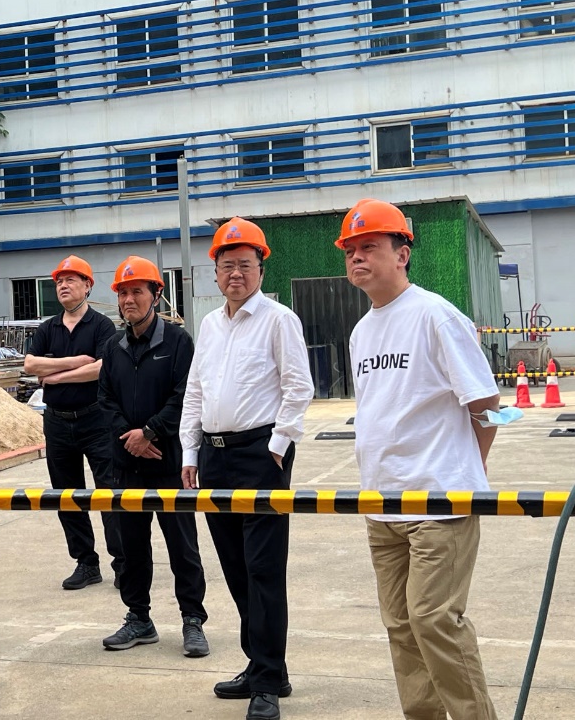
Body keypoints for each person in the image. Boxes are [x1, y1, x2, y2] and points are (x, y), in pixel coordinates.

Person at [337, 198, 500, 720]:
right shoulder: (362, 332)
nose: (357, 258)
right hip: (381, 504)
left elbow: (486, 404)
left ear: (402, 254)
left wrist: (468, 471)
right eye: (350, 250)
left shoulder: (435, 315)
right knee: (401, 627)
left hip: (440, 502)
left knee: (434, 621)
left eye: (369, 247)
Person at [180, 218, 314, 720]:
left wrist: (278, 446)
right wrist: (190, 452)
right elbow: (195, 392)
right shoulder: (210, 325)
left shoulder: (280, 320)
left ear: (261, 269)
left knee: (263, 569)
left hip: (261, 454)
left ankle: (267, 683)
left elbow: (299, 387)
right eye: (226, 265)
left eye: (244, 265)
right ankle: (263, 666)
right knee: (236, 567)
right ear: (215, 272)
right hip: (215, 457)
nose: (235, 273)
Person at [98, 256, 209, 658]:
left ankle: (192, 620)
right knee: (131, 547)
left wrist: (149, 432)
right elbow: (105, 400)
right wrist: (131, 439)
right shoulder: (113, 346)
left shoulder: (178, 342)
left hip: (168, 460)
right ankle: (139, 618)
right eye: (123, 293)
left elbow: (185, 397)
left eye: (136, 292)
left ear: (156, 295)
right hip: (126, 463)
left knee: (183, 546)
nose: (128, 300)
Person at [23, 255, 124, 591]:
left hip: (96, 420)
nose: (63, 286)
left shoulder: (102, 326)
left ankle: (122, 562)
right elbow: (30, 365)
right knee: (67, 495)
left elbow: (101, 368)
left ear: (87, 286)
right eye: (59, 281)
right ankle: (86, 562)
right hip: (57, 422)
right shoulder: (48, 328)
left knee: (109, 492)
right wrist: (76, 362)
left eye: (70, 280)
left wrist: (54, 375)